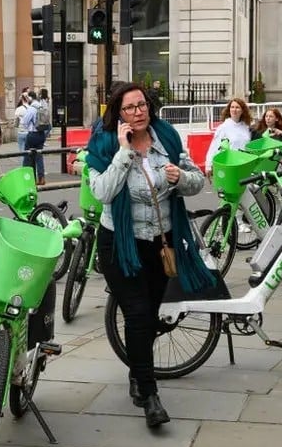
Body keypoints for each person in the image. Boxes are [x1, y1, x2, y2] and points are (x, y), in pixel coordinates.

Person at [85, 82, 212, 428]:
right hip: (121, 245)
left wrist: (180, 177)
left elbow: (198, 181)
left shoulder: (167, 139)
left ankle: (136, 372)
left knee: (150, 317)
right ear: (118, 113)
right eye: (130, 108)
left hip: (162, 243)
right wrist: (124, 153)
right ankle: (150, 395)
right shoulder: (104, 144)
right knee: (139, 315)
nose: (138, 112)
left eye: (142, 105)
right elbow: (102, 193)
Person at [204, 98, 253, 177]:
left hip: (244, 164)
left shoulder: (246, 127)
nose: (234, 110)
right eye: (232, 107)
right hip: (230, 166)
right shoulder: (223, 127)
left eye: (237, 107)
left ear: (242, 110)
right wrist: (208, 165)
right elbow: (214, 146)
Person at [20, 90, 47, 185]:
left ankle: (30, 178)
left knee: (28, 156)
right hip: (41, 133)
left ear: (30, 98)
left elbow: (24, 121)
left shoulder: (31, 108)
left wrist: (28, 127)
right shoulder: (41, 105)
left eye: (28, 98)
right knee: (39, 156)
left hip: (33, 134)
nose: (27, 100)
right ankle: (42, 177)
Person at [14, 94, 30, 159]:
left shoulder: (18, 109)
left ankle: (22, 165)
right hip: (28, 132)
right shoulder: (31, 108)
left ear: (22, 99)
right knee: (28, 151)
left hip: (21, 131)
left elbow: (16, 122)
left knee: (21, 151)